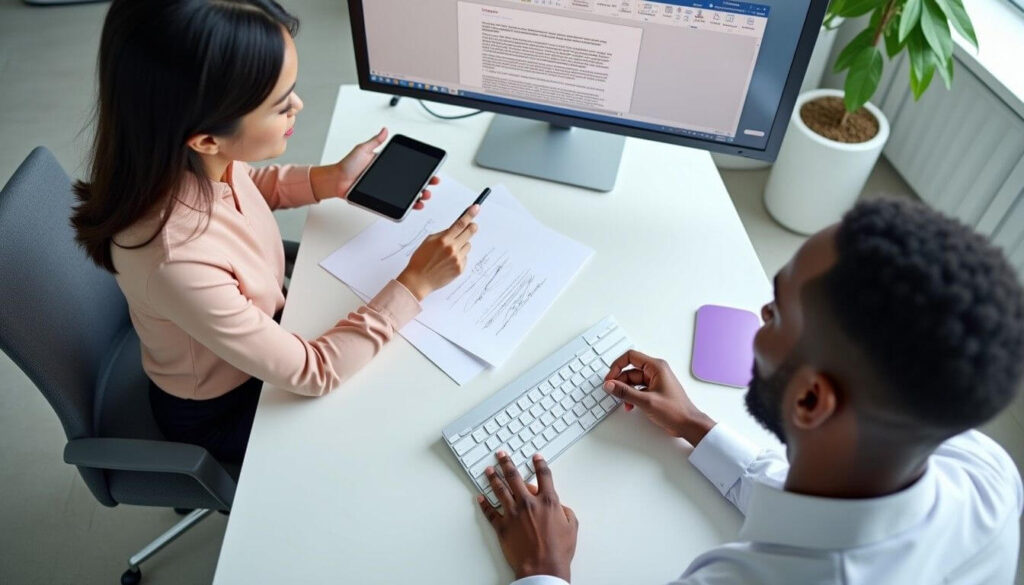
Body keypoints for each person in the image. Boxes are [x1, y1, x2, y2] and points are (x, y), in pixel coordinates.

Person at [475, 199, 1024, 584]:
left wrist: (544, 569)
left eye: (777, 311)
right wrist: (695, 425)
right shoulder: (987, 472)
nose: (761, 313)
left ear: (810, 401)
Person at [70, 0, 478, 464]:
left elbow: (247, 185)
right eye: (281, 105)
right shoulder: (175, 261)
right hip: (225, 407)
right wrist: (415, 283)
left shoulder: (184, 161)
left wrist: (330, 180)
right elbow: (314, 371)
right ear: (207, 139)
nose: (298, 106)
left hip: (265, 334)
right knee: (391, 427)